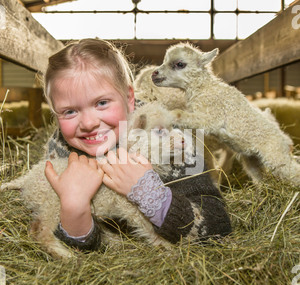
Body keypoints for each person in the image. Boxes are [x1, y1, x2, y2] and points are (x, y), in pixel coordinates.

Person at [42, 38, 232, 251]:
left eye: (102, 103)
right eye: (70, 111)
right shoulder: (59, 154)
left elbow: (218, 229)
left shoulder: (171, 140)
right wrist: (74, 209)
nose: (88, 123)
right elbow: (62, 250)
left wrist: (149, 193)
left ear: (129, 98)